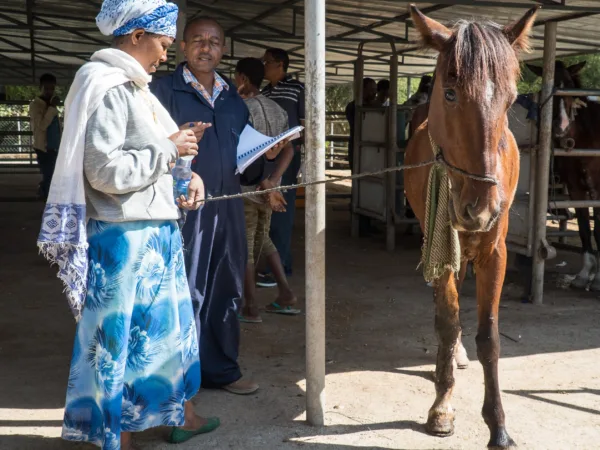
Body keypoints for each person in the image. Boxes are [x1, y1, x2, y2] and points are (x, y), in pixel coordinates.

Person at [37, 1, 220, 448]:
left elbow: (156, 156)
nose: (165, 54)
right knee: (116, 342)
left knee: (154, 339)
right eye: (161, 43)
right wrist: (169, 150)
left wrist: (187, 176)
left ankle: (145, 422)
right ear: (136, 36)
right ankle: (108, 434)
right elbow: (105, 172)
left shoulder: (136, 86)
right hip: (123, 236)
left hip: (151, 233)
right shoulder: (107, 84)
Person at [151, 17, 286, 396]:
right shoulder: (163, 91)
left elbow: (245, 165)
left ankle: (222, 369)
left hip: (228, 206)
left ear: (223, 49)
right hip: (182, 206)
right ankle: (181, 379)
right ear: (181, 46)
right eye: (197, 40)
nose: (205, 47)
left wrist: (266, 158)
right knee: (186, 289)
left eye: (213, 41)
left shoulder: (232, 100)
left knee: (226, 285)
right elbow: (149, 147)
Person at [234, 57, 299, 323]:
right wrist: (273, 180)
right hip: (271, 187)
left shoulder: (240, 109)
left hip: (247, 189)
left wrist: (261, 180)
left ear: (242, 79)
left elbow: (241, 153)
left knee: (246, 246)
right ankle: (285, 294)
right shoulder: (277, 109)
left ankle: (250, 307)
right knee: (265, 239)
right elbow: (289, 148)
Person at [259, 47, 305, 284]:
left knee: (281, 210)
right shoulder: (265, 92)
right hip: (268, 155)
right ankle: (272, 264)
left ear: (279, 64)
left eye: (266, 62)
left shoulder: (297, 89)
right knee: (267, 206)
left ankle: (282, 267)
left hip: (288, 155)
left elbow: (307, 122)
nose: (263, 66)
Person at [30, 73, 61, 200]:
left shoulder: (49, 104)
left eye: (52, 89)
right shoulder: (36, 105)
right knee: (49, 175)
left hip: (54, 147)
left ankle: (44, 192)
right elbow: (42, 125)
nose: (49, 91)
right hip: (44, 148)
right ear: (40, 88)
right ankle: (46, 197)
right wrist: (52, 107)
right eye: (46, 88)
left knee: (52, 175)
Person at [345, 77, 377, 174]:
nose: (374, 93)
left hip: (373, 146)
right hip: (357, 145)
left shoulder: (376, 106)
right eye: (371, 90)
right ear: (363, 90)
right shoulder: (352, 107)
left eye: (375, 90)